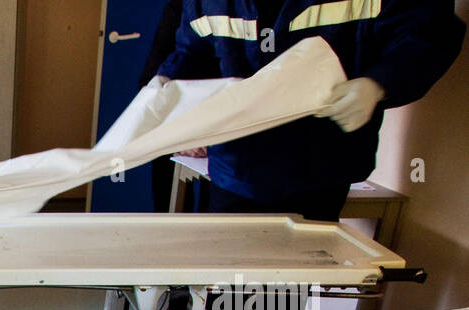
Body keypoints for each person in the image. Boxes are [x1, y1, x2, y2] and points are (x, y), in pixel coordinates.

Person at [154, 0, 465, 221]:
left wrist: (378, 84)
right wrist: (168, 83)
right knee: (229, 293)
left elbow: (430, 32)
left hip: (317, 171)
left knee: (283, 298)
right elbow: (193, 49)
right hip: (236, 168)